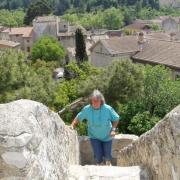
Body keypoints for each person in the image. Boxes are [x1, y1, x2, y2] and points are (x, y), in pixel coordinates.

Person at [71, 89, 120, 166]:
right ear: (91, 101)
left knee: (107, 155)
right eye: (94, 101)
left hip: (107, 136)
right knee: (98, 155)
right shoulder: (87, 109)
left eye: (97, 101)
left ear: (101, 101)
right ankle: (99, 166)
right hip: (94, 136)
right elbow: (78, 117)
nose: (95, 103)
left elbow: (116, 119)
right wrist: (72, 125)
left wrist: (113, 129)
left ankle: (108, 164)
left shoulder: (107, 109)